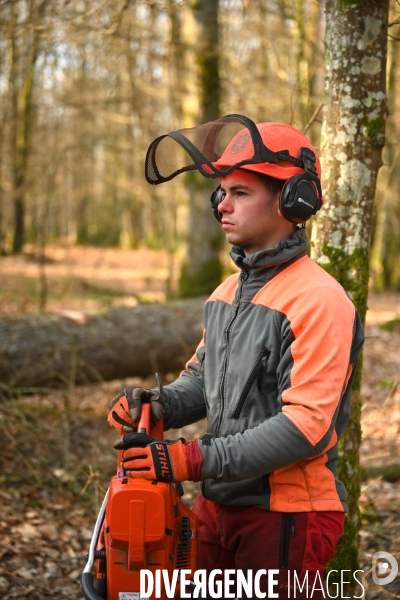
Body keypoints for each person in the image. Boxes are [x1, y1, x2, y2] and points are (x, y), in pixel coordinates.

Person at [107, 116, 364, 599]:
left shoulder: (319, 300)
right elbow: (204, 380)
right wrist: (157, 403)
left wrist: (191, 458)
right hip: (218, 502)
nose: (222, 205)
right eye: (220, 193)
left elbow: (306, 426)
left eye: (240, 193)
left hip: (286, 514)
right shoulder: (227, 293)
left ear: (294, 200)